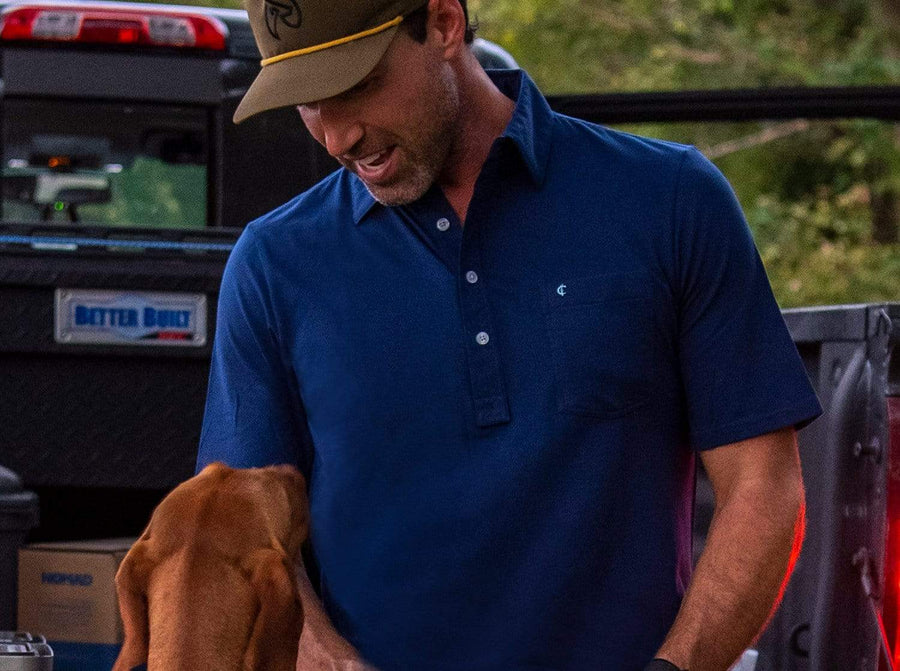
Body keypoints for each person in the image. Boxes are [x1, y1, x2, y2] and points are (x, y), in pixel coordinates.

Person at [196, 0, 824, 669]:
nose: (335, 137)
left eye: (355, 87)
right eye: (307, 103)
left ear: (444, 24)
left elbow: (763, 486)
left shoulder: (670, 201)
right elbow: (241, 538)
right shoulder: (274, 265)